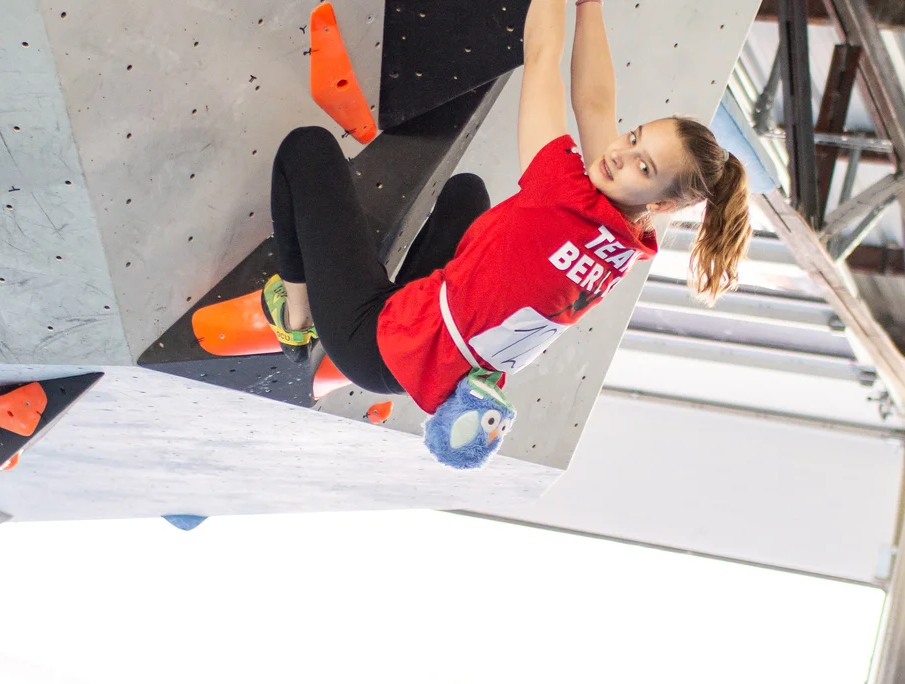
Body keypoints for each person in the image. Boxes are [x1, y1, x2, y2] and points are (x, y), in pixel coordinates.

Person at [262, 0, 751, 463]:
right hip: (431, 353)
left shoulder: (560, 192)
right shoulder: (627, 236)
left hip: (372, 344)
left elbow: (541, 57)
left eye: (642, 165)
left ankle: (296, 319)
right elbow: (597, 105)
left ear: (663, 203)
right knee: (466, 195)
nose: (619, 153)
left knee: (307, 149)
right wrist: (589, 5)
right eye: (634, 136)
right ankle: (383, 303)